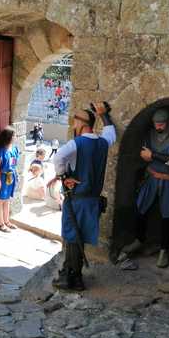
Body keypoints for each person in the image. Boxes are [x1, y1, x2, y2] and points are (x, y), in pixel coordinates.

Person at [48, 102, 116, 291]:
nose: (73, 125)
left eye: (75, 121)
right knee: (79, 237)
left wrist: (64, 176)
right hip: (92, 200)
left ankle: (71, 277)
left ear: (82, 123)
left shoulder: (76, 143)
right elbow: (111, 132)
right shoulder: (103, 142)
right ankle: (74, 276)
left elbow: (58, 157)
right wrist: (104, 115)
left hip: (77, 198)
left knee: (72, 238)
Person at [121, 109, 169, 268]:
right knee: (141, 208)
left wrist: (153, 156)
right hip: (151, 177)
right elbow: (144, 154)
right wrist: (153, 157)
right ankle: (139, 240)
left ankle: (164, 250)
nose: (158, 126)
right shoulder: (150, 134)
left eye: (161, 123)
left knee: (168, 216)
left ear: (168, 122)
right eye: (156, 123)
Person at [0, 126, 20, 232]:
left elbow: (14, 163)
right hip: (3, 177)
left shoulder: (14, 149)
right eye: (14, 135)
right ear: (8, 137)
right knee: (0, 200)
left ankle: (7, 221)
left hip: (11, 177)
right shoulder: (1, 151)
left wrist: (16, 175)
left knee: (7, 200)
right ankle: (1, 224)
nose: (15, 137)